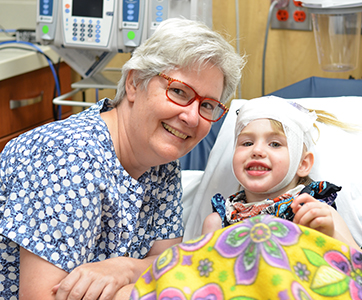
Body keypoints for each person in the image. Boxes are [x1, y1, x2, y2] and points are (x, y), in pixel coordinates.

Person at [0, 18, 245, 300]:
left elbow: (168, 260)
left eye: (207, 105)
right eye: (178, 91)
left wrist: (126, 268)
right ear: (133, 83)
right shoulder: (70, 156)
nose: (191, 117)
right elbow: (41, 297)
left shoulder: (159, 158)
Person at [201, 96, 360, 250]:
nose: (257, 150)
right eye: (247, 143)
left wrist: (330, 235)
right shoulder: (217, 224)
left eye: (275, 144)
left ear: (303, 164)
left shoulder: (315, 213)